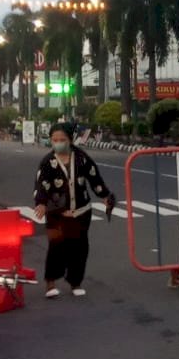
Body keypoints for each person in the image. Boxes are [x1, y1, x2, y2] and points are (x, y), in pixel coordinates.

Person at [33, 123, 115, 299]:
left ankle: (75, 282)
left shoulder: (81, 158)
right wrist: (41, 203)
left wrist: (105, 196)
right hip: (56, 213)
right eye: (55, 140)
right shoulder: (47, 162)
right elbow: (41, 184)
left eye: (62, 140)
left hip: (81, 211)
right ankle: (50, 282)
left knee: (79, 247)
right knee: (56, 246)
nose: (58, 143)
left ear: (70, 140)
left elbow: (94, 178)